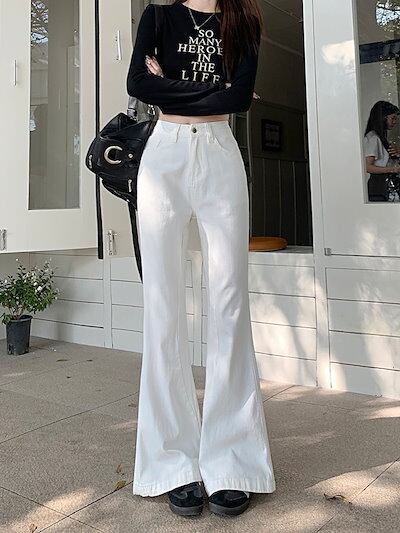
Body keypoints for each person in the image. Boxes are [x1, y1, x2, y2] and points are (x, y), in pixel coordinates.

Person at [127, 0, 276, 518]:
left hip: (219, 154)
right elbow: (138, 85)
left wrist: (171, 86)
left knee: (230, 302)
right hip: (164, 156)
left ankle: (232, 462)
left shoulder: (244, 20)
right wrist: (214, 91)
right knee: (162, 305)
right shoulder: (158, 17)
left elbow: (239, 100)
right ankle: (172, 464)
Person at [364, 100, 400, 202]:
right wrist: (392, 169)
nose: (395, 122)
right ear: (383, 118)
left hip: (384, 184)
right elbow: (367, 167)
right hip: (379, 186)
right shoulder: (373, 138)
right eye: (392, 118)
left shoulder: (381, 137)